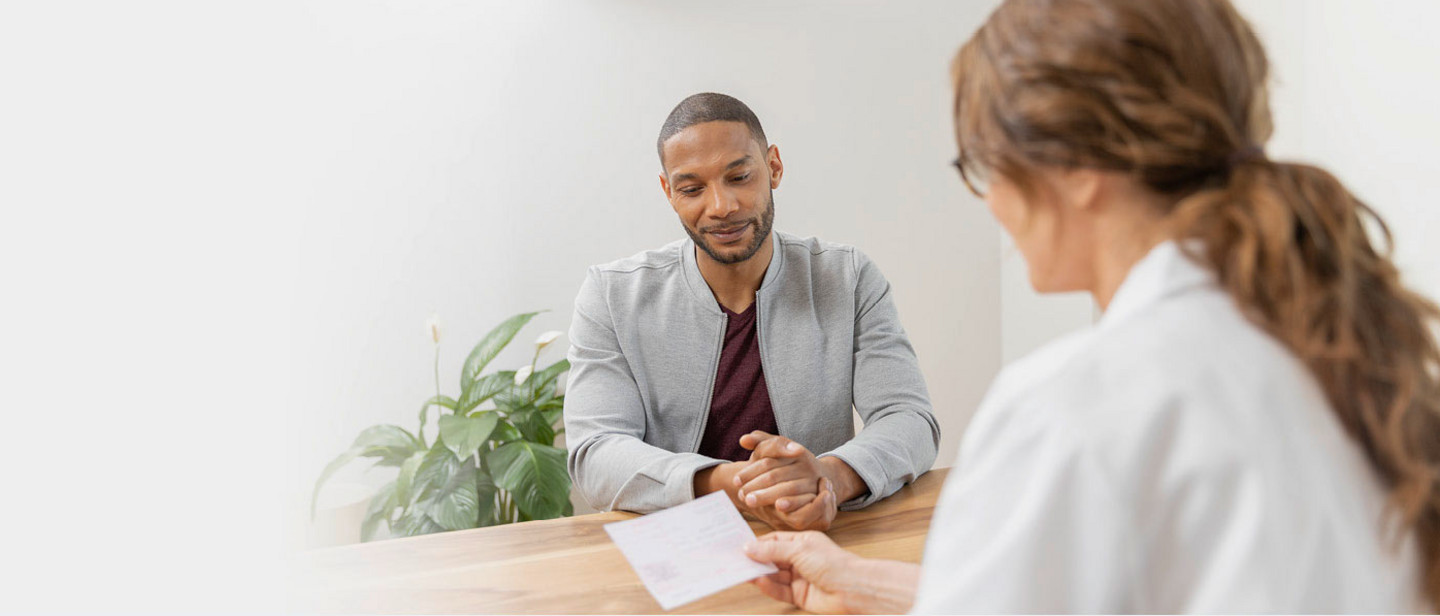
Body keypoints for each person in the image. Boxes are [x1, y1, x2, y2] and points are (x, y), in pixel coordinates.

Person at [743, 0, 1440, 611]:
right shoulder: (1336, 347)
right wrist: (873, 586)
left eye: (984, 164)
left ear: (1078, 170)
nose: (989, 203)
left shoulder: (1075, 411)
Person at [562, 93, 941, 531]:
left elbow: (909, 419)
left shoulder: (846, 277)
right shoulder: (612, 295)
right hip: (674, 545)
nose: (721, 206)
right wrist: (737, 483)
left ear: (774, 167)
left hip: (816, 537)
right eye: (691, 189)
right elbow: (596, 452)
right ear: (669, 193)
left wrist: (830, 478)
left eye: (739, 176)